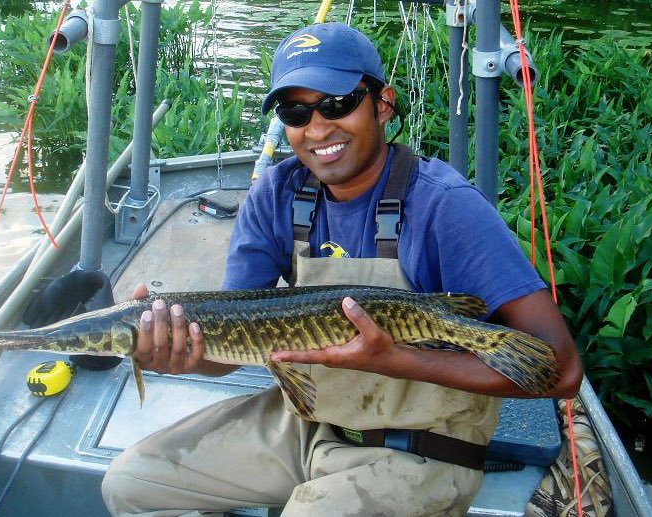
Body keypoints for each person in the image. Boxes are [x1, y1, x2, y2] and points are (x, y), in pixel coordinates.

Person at [102, 22, 582, 517]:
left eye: (338, 103)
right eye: (295, 110)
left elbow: (562, 371)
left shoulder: (446, 206)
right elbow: (234, 343)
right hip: (307, 422)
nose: (317, 127)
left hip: (419, 448)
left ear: (382, 102)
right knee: (129, 485)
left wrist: (394, 359)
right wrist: (177, 352)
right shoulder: (275, 195)